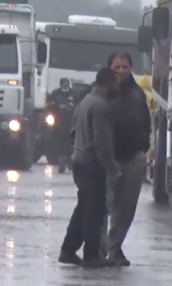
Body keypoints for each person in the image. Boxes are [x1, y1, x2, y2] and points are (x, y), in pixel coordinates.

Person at [59, 67, 122, 269]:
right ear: (106, 83)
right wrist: (112, 168)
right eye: (116, 84)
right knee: (95, 211)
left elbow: (73, 132)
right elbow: (102, 142)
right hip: (91, 164)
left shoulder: (85, 102)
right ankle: (91, 255)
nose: (118, 88)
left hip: (79, 161)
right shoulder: (101, 106)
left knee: (83, 208)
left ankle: (68, 251)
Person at [99, 52, 151, 266]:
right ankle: (99, 249)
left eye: (125, 67)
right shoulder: (99, 93)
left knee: (126, 207)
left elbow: (145, 122)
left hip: (132, 158)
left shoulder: (137, 94)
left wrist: (143, 147)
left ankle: (115, 248)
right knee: (103, 206)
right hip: (105, 158)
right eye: (116, 67)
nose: (121, 72)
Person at [48, 77, 76, 173]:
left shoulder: (74, 93)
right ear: (60, 84)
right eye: (63, 83)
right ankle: (61, 161)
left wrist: (72, 108)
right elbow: (50, 105)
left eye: (67, 83)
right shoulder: (55, 93)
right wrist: (58, 107)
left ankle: (70, 161)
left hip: (71, 122)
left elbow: (78, 105)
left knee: (70, 143)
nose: (65, 84)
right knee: (59, 143)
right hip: (58, 123)